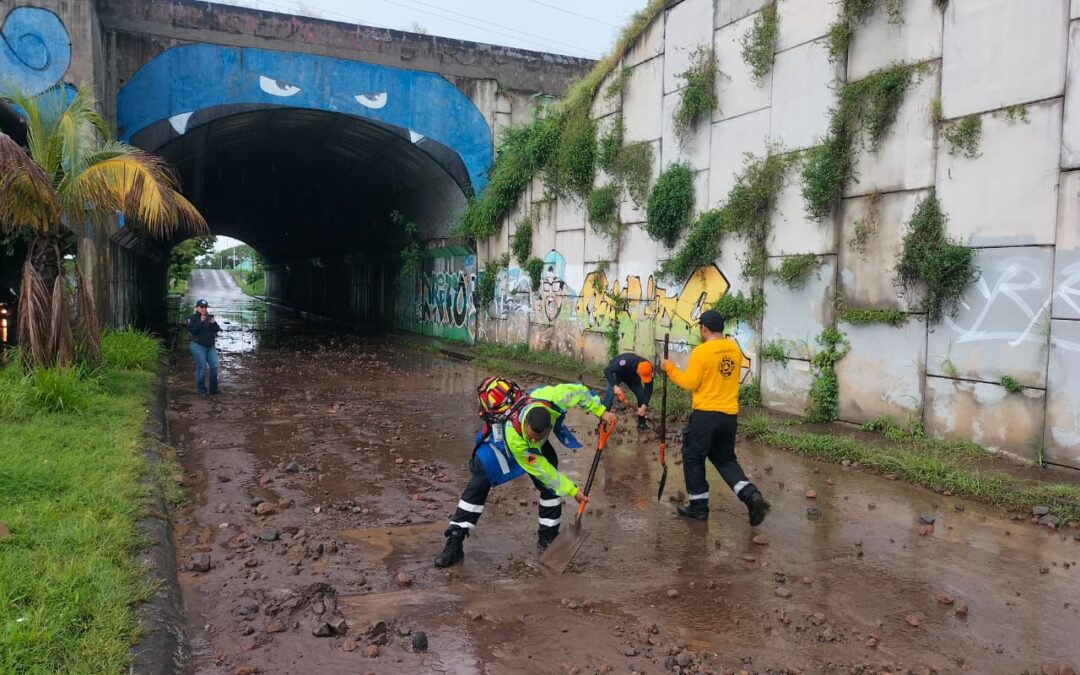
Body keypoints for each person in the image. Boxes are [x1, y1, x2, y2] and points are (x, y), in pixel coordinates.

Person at [434, 376, 617, 568]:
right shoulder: (516, 437)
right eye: (530, 436)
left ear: (547, 427)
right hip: (502, 443)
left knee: (550, 488)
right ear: (525, 425)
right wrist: (573, 491)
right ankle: (455, 541)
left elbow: (579, 391)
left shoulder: (553, 398)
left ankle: (548, 538)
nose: (533, 440)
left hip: (532, 448)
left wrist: (601, 411)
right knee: (480, 480)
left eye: (537, 437)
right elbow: (541, 470)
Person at [661, 309, 769, 526]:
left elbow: (690, 383)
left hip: (705, 415)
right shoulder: (734, 349)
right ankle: (751, 496)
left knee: (693, 456)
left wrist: (670, 368)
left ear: (704, 328)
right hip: (729, 416)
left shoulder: (702, 352)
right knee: (725, 459)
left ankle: (699, 508)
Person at [602, 352, 654, 430]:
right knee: (609, 397)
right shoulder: (624, 362)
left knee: (641, 395)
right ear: (638, 371)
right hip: (617, 374)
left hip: (631, 377)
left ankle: (641, 424)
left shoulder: (648, 368)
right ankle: (602, 424)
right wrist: (615, 386)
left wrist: (643, 407)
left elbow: (648, 389)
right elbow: (607, 370)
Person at [187, 299, 220, 396]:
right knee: (201, 368)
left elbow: (217, 329)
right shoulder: (192, 318)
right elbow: (193, 331)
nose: (203, 309)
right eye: (201, 307)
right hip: (198, 346)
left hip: (210, 346)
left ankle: (214, 389)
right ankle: (202, 390)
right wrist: (201, 322)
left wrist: (213, 322)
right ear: (197, 307)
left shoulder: (209, 318)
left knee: (214, 367)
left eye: (205, 307)